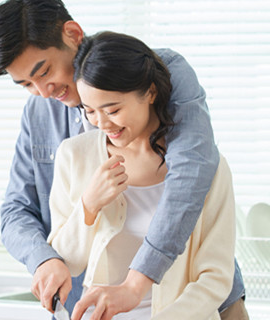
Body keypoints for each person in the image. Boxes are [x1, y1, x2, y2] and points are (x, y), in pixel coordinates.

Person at [0, 0, 247, 319]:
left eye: (45, 71)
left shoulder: (164, 71)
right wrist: (44, 258)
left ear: (72, 34)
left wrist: (136, 284)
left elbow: (192, 175)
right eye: (25, 84)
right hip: (91, 305)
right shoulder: (48, 123)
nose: (43, 91)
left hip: (197, 306)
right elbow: (17, 209)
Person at [48, 30, 236, 320]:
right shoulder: (74, 156)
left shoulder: (206, 167)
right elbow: (66, 263)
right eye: (90, 111)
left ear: (150, 92)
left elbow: (216, 278)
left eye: (112, 109)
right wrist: (88, 206)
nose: (102, 123)